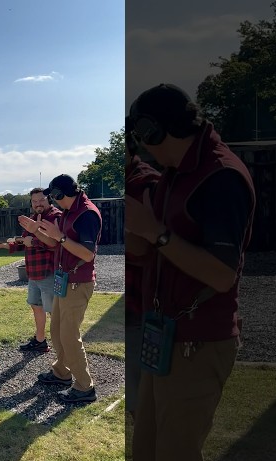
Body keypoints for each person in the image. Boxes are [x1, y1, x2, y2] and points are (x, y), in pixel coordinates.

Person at [125, 83, 256, 461]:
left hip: (198, 341)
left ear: (154, 131)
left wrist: (156, 232)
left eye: (140, 138)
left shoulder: (221, 177)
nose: (139, 149)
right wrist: (140, 235)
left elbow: (221, 274)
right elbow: (149, 250)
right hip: (165, 335)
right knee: (146, 454)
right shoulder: (175, 173)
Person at [20, 174, 102, 403]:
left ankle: (85, 388)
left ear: (58, 195)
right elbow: (55, 242)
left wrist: (61, 237)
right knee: (56, 331)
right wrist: (37, 231)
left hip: (78, 282)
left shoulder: (86, 214)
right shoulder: (69, 212)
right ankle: (62, 373)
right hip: (64, 280)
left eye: (52, 196)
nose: (51, 201)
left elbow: (87, 254)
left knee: (69, 336)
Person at [0, 188, 62, 352]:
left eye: (41, 200)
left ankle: (62, 349)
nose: (38, 204)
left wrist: (33, 241)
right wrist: (4, 246)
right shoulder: (33, 219)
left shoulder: (55, 217)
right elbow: (23, 242)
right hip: (34, 274)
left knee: (54, 313)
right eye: (34, 201)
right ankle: (40, 340)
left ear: (49, 199)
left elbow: (56, 243)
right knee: (36, 306)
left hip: (49, 273)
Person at [124, 124, 160, 420]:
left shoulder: (147, 184)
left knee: (142, 396)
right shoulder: (130, 181)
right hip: (130, 304)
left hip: (142, 304)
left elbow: (148, 249)